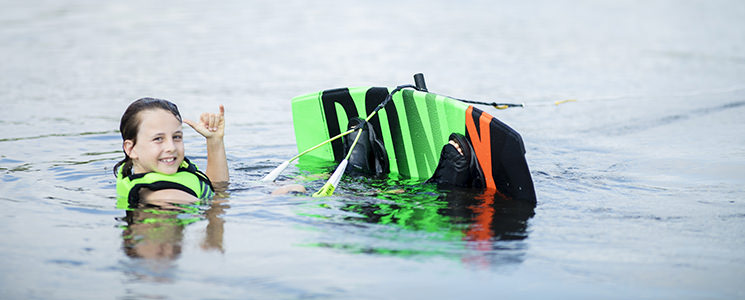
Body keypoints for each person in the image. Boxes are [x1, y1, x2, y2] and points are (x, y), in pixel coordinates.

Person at [114, 97, 229, 208]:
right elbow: (217, 205)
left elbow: (217, 188)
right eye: (158, 139)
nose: (171, 147)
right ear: (131, 149)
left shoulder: (174, 172)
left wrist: (214, 141)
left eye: (176, 137)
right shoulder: (164, 198)